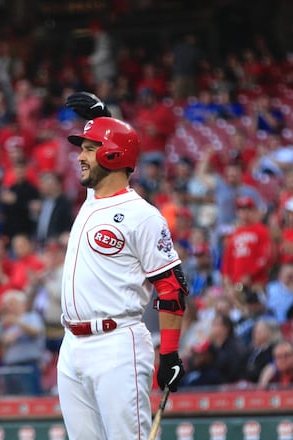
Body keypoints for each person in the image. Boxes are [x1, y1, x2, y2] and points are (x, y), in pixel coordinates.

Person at [57, 93, 187, 439]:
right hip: (71, 344)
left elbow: (172, 286)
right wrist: (105, 117)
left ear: (112, 154)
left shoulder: (142, 215)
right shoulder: (92, 200)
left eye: (89, 149)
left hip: (116, 344)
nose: (80, 156)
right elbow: (122, 140)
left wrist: (169, 354)